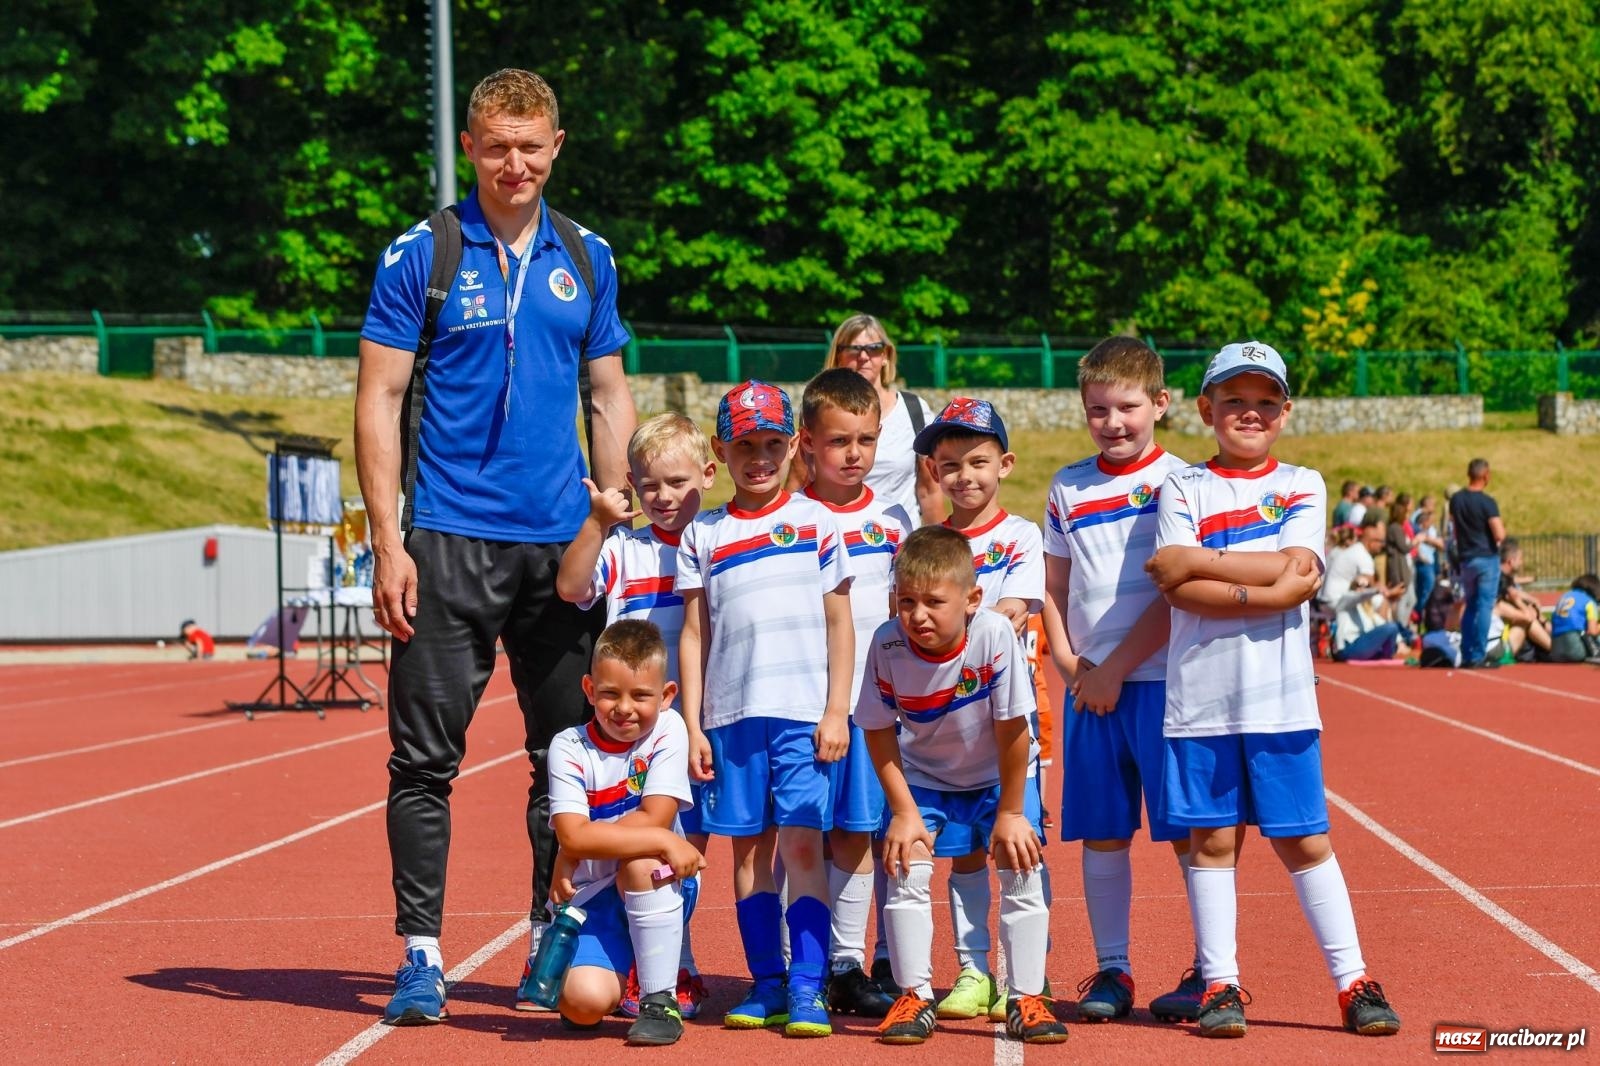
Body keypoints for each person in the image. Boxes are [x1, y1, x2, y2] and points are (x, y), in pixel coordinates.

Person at [355, 68, 637, 1025]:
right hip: (446, 540)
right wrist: (387, 542)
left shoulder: (588, 256)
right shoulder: (420, 255)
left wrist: (613, 517)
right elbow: (380, 398)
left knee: (566, 754)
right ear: (469, 149)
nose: (514, 163)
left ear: (557, 146)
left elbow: (608, 394)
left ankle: (547, 936)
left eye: (531, 145)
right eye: (496, 146)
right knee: (422, 760)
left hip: (560, 550)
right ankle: (422, 955)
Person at [1145, 341, 1401, 1039]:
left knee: (1307, 842)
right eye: (1234, 399)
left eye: (1264, 401)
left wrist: (1202, 566)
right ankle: (1221, 984)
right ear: (1206, 409)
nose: (1248, 412)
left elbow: (1297, 579)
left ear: (1284, 412)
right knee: (1212, 843)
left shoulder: (1303, 483)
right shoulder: (1182, 487)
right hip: (1199, 703)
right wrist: (1260, 584)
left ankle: (1353, 983)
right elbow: (1180, 585)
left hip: (1281, 702)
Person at [677, 380, 855, 1037]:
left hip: (804, 714)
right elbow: (695, 633)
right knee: (747, 855)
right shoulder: (704, 532)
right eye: (745, 445)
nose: (759, 457)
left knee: (805, 848)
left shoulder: (817, 522)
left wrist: (836, 710)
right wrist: (694, 723)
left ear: (793, 446)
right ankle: (767, 982)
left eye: (772, 444)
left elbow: (841, 624)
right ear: (721, 450)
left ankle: (809, 985)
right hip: (730, 718)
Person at [1039, 337, 1202, 1024]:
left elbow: (1184, 590)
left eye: (1128, 407)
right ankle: (1113, 969)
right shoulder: (1068, 487)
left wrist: (1117, 669)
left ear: (1161, 404)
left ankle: (1210, 968)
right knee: (1103, 834)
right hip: (1090, 690)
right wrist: (1074, 666)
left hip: (1168, 683)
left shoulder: (1186, 482)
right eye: (1097, 409)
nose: (1114, 422)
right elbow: (1052, 586)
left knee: (1194, 835)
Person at [859, 526, 1063, 1045]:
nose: (918, 615)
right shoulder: (885, 643)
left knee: (1022, 864)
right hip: (924, 776)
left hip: (1000, 772)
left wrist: (1012, 812)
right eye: (906, 601)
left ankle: (1026, 997)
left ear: (973, 599)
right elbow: (878, 733)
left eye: (933, 602)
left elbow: (1015, 729)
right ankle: (915, 995)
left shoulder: (994, 633)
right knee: (906, 864)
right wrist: (903, 812)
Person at [553, 412, 717, 1018]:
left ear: (706, 473)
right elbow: (571, 588)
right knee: (653, 841)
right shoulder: (625, 547)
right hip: (630, 718)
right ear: (631, 484)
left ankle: (680, 961)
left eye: (677, 483)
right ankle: (641, 966)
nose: (664, 497)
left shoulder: (716, 540)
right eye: (650, 486)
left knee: (687, 843)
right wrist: (598, 522)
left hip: (695, 715)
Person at [911, 397, 1045, 1023]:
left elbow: (1011, 612)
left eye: (979, 462)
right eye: (950, 465)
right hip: (941, 731)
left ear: (1005, 464)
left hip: (1005, 727)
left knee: (1017, 849)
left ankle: (1026, 985)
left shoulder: (1020, 537)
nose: (965, 477)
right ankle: (972, 969)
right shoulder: (926, 544)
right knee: (962, 854)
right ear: (933, 471)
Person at [796, 369, 914, 1016]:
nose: (854, 454)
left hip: (889, 705)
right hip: (819, 703)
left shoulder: (895, 519)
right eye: (839, 440)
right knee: (830, 835)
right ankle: (836, 961)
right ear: (807, 443)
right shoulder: (794, 517)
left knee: (888, 832)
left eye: (866, 440)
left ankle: (893, 959)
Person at [545, 620, 705, 1046]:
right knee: (581, 1005)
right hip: (593, 897)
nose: (624, 708)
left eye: (641, 695)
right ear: (588, 688)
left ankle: (659, 998)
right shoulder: (568, 746)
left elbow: (654, 817)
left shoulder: (670, 729)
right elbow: (573, 838)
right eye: (610, 693)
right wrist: (573, 847)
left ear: (667, 696)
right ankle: (626, 968)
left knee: (642, 862)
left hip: (656, 878)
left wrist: (582, 843)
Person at [803, 314, 943, 525]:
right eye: (854, 349)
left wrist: (937, 551)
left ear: (886, 355)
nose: (864, 357)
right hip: (833, 534)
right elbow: (801, 479)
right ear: (838, 355)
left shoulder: (914, 411)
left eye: (874, 348)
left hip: (898, 542)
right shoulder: (817, 411)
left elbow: (929, 491)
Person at [1322, 519, 1409, 662]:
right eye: (1380, 542)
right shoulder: (1347, 601)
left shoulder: (1360, 606)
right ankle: (1387, 655)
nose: (1382, 546)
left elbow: (1377, 619)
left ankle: (1388, 652)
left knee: (1386, 625)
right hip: (1348, 647)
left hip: (1355, 644)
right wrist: (1379, 591)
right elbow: (1361, 594)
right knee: (1390, 627)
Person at [1448, 458, 1506, 669]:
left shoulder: (1456, 500)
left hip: (1466, 559)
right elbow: (1499, 533)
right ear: (1485, 475)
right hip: (1486, 558)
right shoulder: (1487, 502)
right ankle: (1478, 655)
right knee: (1484, 607)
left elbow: (1454, 528)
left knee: (1470, 605)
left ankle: (1466, 652)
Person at [1494, 539, 1553, 662]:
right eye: (1520, 559)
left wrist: (1531, 600)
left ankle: (1553, 646)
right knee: (1527, 620)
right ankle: (1554, 649)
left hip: (1503, 630)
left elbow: (1514, 592)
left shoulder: (1502, 577)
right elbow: (1525, 615)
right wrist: (1524, 605)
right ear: (1511, 561)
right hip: (1499, 637)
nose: (1522, 563)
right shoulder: (1499, 581)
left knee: (1534, 615)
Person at [1548, 574, 1600, 663]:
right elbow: (1593, 631)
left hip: (1556, 650)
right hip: (1576, 650)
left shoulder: (1565, 596)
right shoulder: (1589, 602)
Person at [1411, 495, 1445, 618]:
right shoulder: (1418, 518)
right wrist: (1420, 556)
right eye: (1433, 504)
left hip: (1428, 560)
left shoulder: (1421, 518)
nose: (1434, 507)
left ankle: (1420, 615)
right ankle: (1419, 615)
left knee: (1424, 590)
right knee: (1426, 591)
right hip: (1424, 561)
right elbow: (1416, 539)